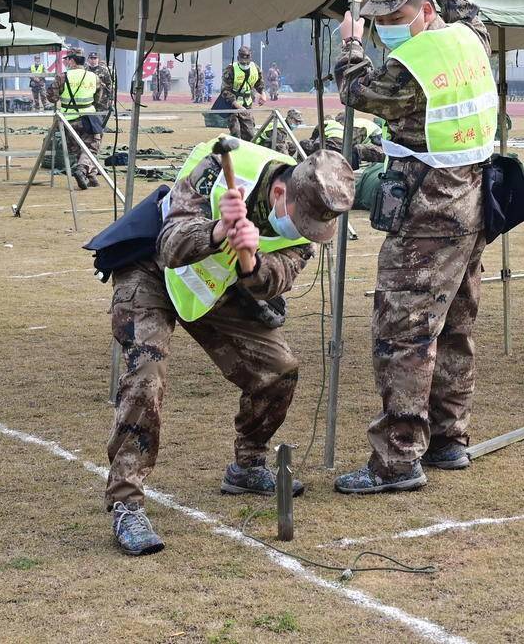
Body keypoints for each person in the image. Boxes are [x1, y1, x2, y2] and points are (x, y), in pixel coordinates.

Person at [102, 140, 354, 556]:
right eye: (301, 220)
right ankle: (126, 503)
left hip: (216, 287)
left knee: (279, 368)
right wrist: (218, 230)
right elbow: (169, 243)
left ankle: (248, 465)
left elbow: (278, 279)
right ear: (279, 193)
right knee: (146, 377)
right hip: (151, 273)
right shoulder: (218, 166)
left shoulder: (310, 219)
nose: (306, 232)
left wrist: (251, 260)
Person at [333, 0, 495, 494]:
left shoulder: (413, 65)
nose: (386, 26)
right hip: (472, 204)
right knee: (453, 327)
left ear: (424, 11)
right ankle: (450, 439)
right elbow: (473, 15)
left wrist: (350, 45)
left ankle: (397, 458)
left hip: (428, 212)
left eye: (394, 14)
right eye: (377, 20)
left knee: (403, 333)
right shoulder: (468, 39)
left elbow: (359, 94)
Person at [49, 49, 107, 189]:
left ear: (73, 61)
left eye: (68, 59)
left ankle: (91, 176)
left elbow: (52, 98)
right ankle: (83, 171)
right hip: (89, 118)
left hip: (68, 120)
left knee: (76, 150)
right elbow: (98, 99)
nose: (66, 62)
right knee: (91, 148)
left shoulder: (62, 77)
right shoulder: (93, 77)